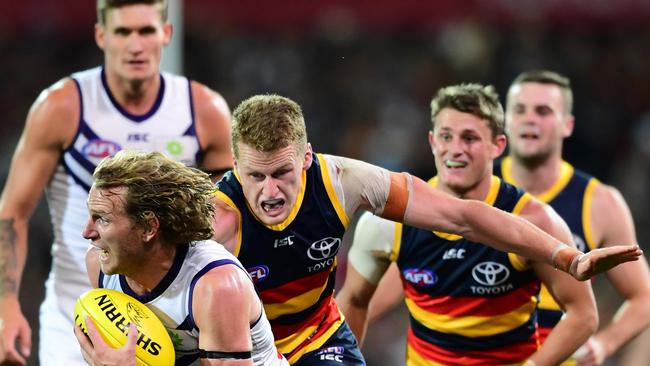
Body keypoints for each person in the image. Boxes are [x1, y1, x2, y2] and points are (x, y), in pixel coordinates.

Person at [212, 94, 641, 365]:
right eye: (255, 176)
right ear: (234, 166)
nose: (270, 192)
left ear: (307, 157)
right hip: (238, 341)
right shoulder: (213, 219)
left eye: (282, 173)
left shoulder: (345, 182)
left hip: (315, 336)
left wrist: (568, 257)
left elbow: (464, 217)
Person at [0, 0, 233, 364]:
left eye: (146, 31)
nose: (135, 45)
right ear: (101, 35)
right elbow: (12, 212)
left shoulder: (205, 112)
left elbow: (229, 217)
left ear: (166, 34)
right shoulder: (61, 107)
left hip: (174, 323)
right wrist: (6, 305)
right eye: (123, 32)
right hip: (80, 313)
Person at [336, 83, 599, 365]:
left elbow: (583, 314)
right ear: (432, 141)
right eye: (446, 136)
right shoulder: (390, 223)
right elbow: (353, 301)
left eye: (469, 138)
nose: (455, 150)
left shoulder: (533, 221)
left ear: (497, 145)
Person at [73, 150, 287, 366]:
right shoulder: (99, 265)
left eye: (102, 219)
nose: (87, 232)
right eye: (90, 216)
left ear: (149, 227)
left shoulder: (216, 286)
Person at [496, 70, 650, 365]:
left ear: (567, 125)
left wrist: (605, 343)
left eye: (543, 111)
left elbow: (643, 297)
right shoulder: (474, 188)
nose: (529, 119)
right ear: (506, 122)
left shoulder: (599, 203)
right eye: (519, 110)